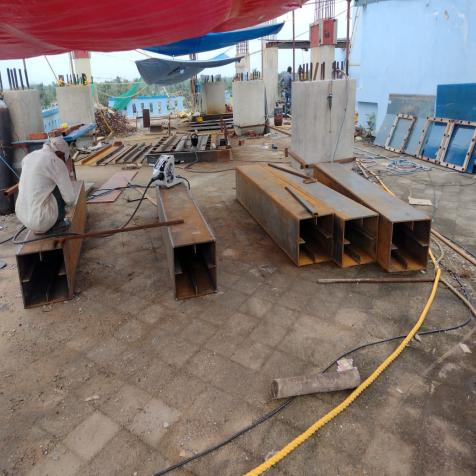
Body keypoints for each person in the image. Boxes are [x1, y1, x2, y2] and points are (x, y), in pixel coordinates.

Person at [15, 137, 75, 234]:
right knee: (59, 187)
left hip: (22, 215)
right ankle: (57, 224)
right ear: (61, 153)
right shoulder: (56, 161)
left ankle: (39, 225)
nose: (64, 160)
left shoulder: (28, 157)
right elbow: (70, 199)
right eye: (64, 158)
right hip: (43, 220)